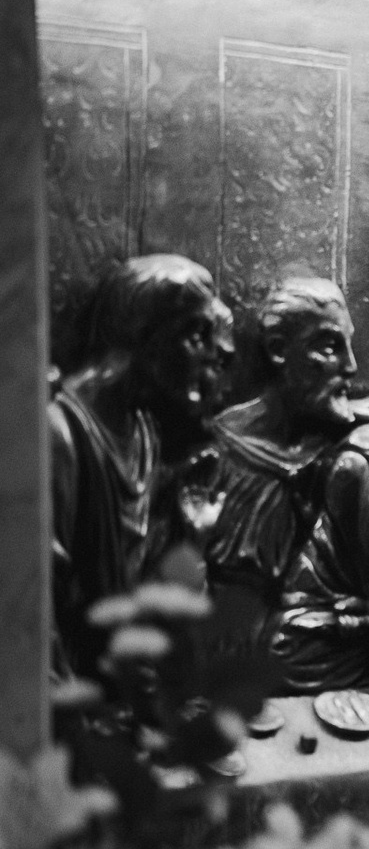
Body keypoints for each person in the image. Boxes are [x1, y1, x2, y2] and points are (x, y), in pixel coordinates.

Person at [49, 255, 232, 679]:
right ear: (146, 337)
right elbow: (35, 612)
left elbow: (141, 596)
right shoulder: (61, 435)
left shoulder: (142, 432)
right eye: (197, 335)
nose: (212, 356)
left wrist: (192, 536)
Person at [202, 278, 369, 688]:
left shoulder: (343, 450)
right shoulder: (220, 451)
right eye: (330, 346)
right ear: (280, 350)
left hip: (305, 635)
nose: (351, 366)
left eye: (349, 345)